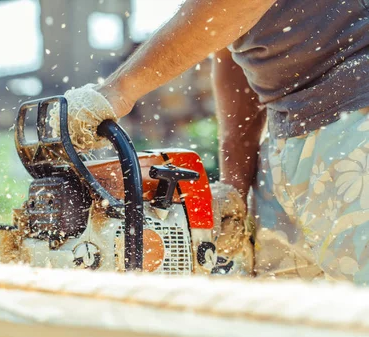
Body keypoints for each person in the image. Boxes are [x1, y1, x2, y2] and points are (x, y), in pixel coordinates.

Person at [55, 0, 369, 283]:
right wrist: (235, 186)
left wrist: (119, 90)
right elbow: (228, 36)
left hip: (355, 122)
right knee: (281, 326)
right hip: (286, 141)